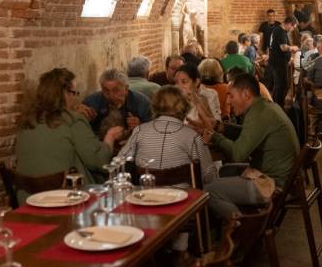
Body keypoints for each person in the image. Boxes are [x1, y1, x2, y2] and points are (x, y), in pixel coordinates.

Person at [196, 73, 299, 219]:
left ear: (246, 94)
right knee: (225, 171)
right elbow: (249, 133)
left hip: (271, 185)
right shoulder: (264, 107)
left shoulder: (259, 114)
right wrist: (221, 127)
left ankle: (243, 228)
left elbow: (238, 154)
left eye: (231, 96)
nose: (229, 101)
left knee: (207, 191)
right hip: (279, 177)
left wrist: (215, 138)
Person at [16, 68, 124, 199]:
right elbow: (99, 161)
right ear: (64, 94)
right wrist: (110, 137)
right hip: (68, 198)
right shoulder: (73, 120)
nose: (75, 98)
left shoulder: (27, 121)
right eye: (73, 93)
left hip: (29, 199)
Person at [118, 86, 217, 185]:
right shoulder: (191, 135)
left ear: (155, 105)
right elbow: (209, 176)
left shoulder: (140, 130)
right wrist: (205, 144)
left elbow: (119, 162)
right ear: (185, 107)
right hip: (182, 197)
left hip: (146, 195)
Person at [79, 68, 152, 136]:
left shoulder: (141, 102)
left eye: (116, 90)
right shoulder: (92, 102)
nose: (111, 96)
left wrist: (140, 126)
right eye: (106, 91)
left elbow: (153, 130)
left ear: (126, 89)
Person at [268, 15, 299, 106]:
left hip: (278, 62)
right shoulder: (280, 31)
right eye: (293, 27)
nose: (293, 29)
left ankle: (275, 105)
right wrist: (293, 47)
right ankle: (279, 107)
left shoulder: (280, 31)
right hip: (278, 63)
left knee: (278, 86)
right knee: (281, 86)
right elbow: (283, 48)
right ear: (289, 24)